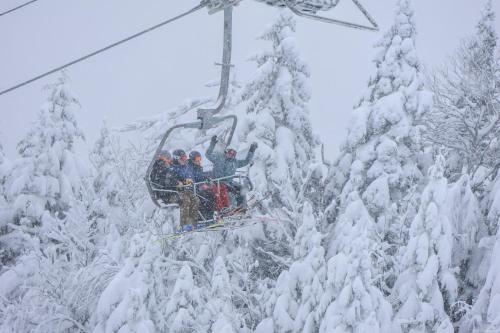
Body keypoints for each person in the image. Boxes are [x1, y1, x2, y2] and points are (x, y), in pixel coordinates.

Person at [206, 136, 258, 209]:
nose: (231, 155)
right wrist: (213, 143)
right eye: (230, 153)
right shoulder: (219, 158)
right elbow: (208, 155)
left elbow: (246, 161)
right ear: (226, 151)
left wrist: (251, 151)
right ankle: (231, 208)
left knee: (240, 188)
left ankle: (242, 206)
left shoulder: (234, 162)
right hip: (217, 181)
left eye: (234, 154)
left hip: (229, 182)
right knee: (230, 193)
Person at [171, 149, 200, 229]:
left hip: (187, 190)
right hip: (177, 191)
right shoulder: (173, 168)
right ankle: (184, 224)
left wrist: (189, 181)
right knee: (186, 200)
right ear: (177, 158)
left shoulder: (186, 166)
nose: (184, 160)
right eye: (183, 158)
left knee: (196, 199)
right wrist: (182, 182)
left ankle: (194, 223)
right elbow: (173, 180)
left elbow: (191, 176)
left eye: (185, 158)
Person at [187, 151, 215, 221]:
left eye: (199, 158)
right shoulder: (189, 168)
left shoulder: (198, 167)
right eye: (197, 159)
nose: (199, 161)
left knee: (211, 195)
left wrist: (206, 178)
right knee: (203, 199)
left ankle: (209, 218)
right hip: (192, 189)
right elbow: (190, 179)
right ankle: (200, 219)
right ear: (192, 159)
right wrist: (198, 186)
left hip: (199, 187)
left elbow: (200, 177)